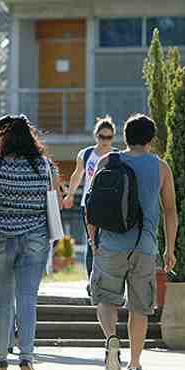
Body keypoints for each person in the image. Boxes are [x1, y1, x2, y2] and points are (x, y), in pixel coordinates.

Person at [0, 114, 62, 370]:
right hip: (35, 240)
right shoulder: (44, 165)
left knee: (3, 301)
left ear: (3, 137)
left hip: (1, 239)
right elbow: (54, 197)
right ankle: (28, 361)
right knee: (28, 300)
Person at [88, 114, 178, 370]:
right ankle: (135, 364)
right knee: (139, 307)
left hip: (111, 243)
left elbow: (92, 207)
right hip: (145, 247)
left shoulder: (108, 161)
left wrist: (94, 242)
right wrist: (169, 249)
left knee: (105, 298)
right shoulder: (161, 168)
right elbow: (170, 211)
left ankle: (111, 339)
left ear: (124, 137)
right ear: (151, 139)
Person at [62, 116, 117, 293]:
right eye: (102, 137)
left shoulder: (117, 156)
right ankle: (92, 281)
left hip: (110, 205)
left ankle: (108, 281)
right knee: (92, 242)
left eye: (108, 138)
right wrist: (70, 195)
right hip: (90, 205)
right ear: (96, 136)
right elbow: (78, 175)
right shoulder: (86, 154)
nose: (105, 141)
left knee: (108, 243)